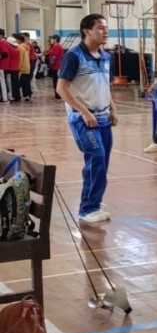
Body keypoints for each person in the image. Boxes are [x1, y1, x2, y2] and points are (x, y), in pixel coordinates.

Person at [57, 14, 118, 224]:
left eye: (106, 28)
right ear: (87, 31)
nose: (105, 31)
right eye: (100, 27)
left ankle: (94, 205)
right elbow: (61, 88)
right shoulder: (74, 56)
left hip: (103, 118)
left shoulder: (106, 57)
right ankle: (87, 208)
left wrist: (113, 109)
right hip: (83, 119)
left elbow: (105, 86)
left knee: (103, 162)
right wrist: (83, 111)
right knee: (96, 157)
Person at [13, 34, 32, 102]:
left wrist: (18, 67)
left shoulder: (20, 47)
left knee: (19, 83)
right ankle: (27, 95)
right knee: (26, 83)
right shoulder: (26, 47)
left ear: (18, 40)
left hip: (22, 68)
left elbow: (20, 58)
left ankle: (17, 96)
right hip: (27, 66)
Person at [47, 35, 64, 99]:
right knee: (55, 81)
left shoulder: (57, 47)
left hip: (57, 67)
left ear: (55, 39)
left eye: (51, 39)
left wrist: (50, 64)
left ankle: (58, 95)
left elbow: (55, 57)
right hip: (55, 67)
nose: (50, 40)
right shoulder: (54, 47)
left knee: (56, 81)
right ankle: (57, 95)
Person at [0, 30, 16, 102]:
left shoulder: (2, 43)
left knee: (2, 82)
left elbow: (5, 54)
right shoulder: (4, 43)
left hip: (2, 66)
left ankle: (4, 98)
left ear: (1, 35)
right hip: (4, 66)